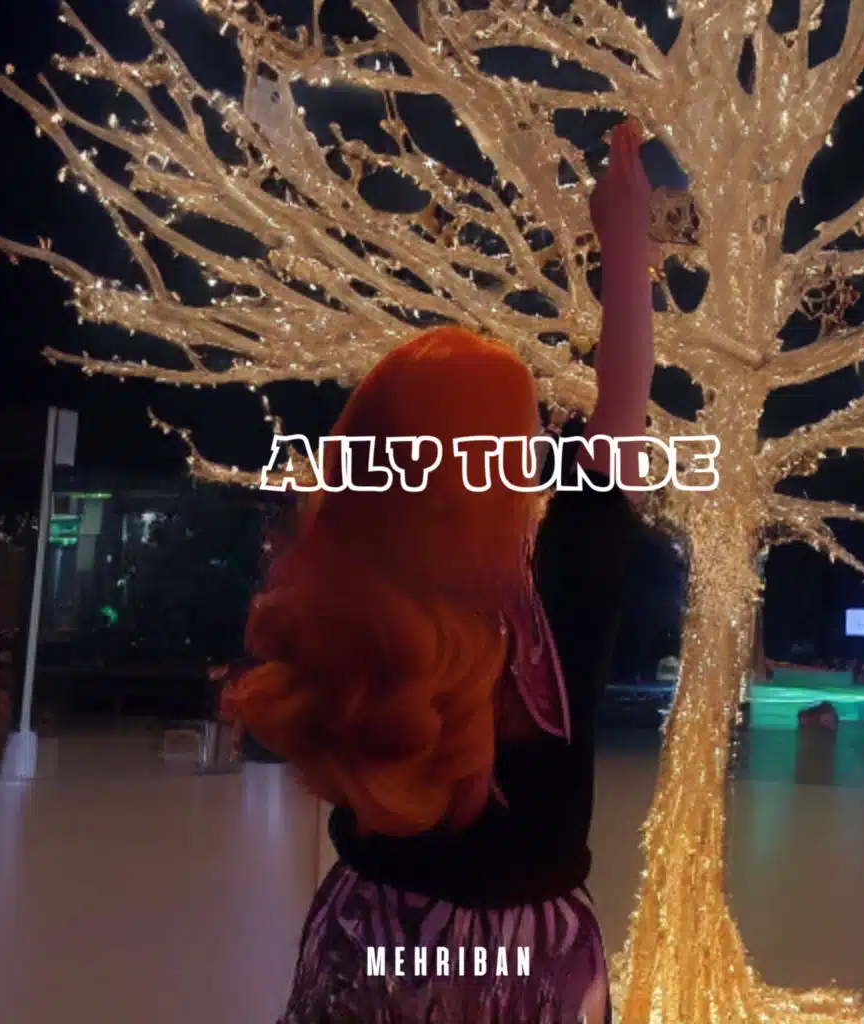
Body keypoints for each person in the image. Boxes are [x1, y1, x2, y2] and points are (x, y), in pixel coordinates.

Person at [223, 118, 655, 1024]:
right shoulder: (551, 601)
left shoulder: (355, 607)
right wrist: (627, 251)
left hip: (369, 935)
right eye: (527, 435)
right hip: (519, 965)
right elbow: (620, 420)